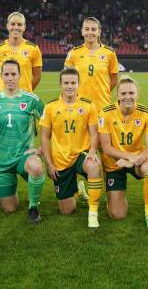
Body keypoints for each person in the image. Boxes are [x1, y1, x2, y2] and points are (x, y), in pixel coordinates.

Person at [0, 11, 43, 206]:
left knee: (26, 143)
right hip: (3, 103)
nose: (16, 28)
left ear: (24, 27)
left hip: (25, 105)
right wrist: (3, 92)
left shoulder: (33, 49)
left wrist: (24, 93)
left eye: (20, 25)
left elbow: (36, 76)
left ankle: (28, 177)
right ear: (7, 26)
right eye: (13, 24)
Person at [0, 60, 45, 224]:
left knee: (36, 167)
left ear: (20, 76)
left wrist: (41, 149)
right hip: (0, 160)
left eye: (13, 74)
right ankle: (8, 186)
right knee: (9, 208)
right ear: (1, 76)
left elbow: (50, 124)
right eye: (6, 74)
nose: (10, 78)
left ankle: (33, 207)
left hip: (23, 156)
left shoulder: (32, 100)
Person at [40, 68, 103, 228]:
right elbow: (44, 137)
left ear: (78, 84)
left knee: (94, 167)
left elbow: (94, 134)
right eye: (66, 83)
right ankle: (78, 189)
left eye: (73, 83)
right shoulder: (50, 107)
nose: (70, 86)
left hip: (81, 154)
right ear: (60, 85)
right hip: (61, 160)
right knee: (67, 210)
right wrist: (49, 163)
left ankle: (93, 214)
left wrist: (92, 152)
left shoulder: (88, 105)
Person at [64, 16, 118, 201]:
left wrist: (101, 96)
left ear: (99, 31)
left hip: (102, 109)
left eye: (93, 29)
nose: (90, 32)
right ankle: (80, 186)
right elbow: (67, 79)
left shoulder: (109, 54)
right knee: (80, 147)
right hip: (80, 109)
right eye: (87, 29)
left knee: (104, 149)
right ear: (82, 31)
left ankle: (107, 187)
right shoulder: (74, 53)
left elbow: (113, 80)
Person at [98, 76, 148, 229]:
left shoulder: (147, 114)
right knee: (117, 215)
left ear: (137, 94)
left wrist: (134, 160)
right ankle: (115, 197)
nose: (128, 97)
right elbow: (106, 148)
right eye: (124, 93)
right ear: (117, 95)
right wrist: (128, 156)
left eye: (131, 93)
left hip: (137, 160)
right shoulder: (106, 113)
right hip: (114, 163)